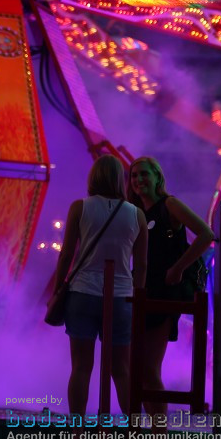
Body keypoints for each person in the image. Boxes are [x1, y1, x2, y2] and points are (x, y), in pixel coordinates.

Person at [49, 155, 147, 417]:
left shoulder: (79, 208)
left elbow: (67, 253)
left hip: (82, 293)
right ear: (120, 179)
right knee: (121, 370)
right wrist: (137, 298)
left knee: (81, 367)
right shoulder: (136, 214)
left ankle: (78, 432)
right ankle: (132, 431)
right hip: (121, 297)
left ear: (93, 177)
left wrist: (58, 288)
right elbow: (142, 264)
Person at [126, 156, 215, 420]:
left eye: (144, 174)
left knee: (149, 368)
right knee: (136, 369)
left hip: (164, 292)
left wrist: (178, 268)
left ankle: (159, 433)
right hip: (141, 291)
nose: (139, 180)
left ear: (157, 177)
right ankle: (153, 429)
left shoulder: (169, 205)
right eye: (134, 176)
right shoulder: (135, 212)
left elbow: (206, 234)